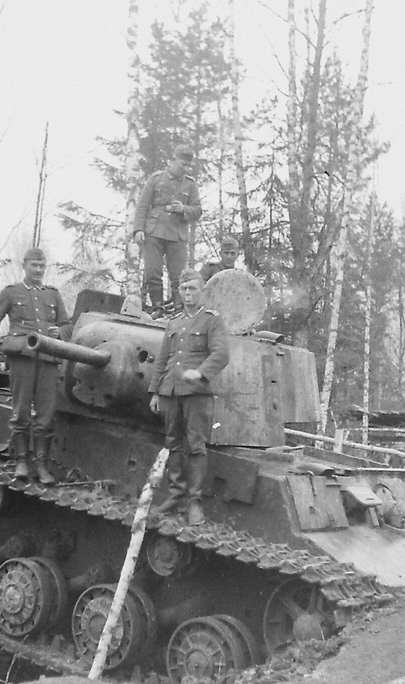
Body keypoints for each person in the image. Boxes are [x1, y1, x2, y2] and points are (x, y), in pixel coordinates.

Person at [0, 247, 72, 484]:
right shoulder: (12, 293)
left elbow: (67, 326)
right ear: (25, 265)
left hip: (48, 359)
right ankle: (21, 460)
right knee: (20, 411)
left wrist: (59, 332)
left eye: (42, 266)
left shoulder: (53, 295)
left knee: (47, 415)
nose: (39, 270)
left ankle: (40, 465)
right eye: (34, 266)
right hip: (22, 359)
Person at [148, 269, 230, 526]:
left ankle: (194, 502)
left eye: (192, 289)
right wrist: (154, 391)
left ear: (202, 291)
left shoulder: (211, 321)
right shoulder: (174, 322)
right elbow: (163, 358)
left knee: (195, 446)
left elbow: (221, 354)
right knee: (173, 444)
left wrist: (201, 373)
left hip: (197, 393)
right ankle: (175, 496)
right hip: (171, 392)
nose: (187, 294)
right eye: (184, 289)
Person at [133, 144, 202, 314]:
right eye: (182, 165)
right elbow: (142, 205)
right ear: (172, 161)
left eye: (188, 166)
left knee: (179, 277)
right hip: (154, 231)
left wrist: (183, 209)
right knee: (152, 272)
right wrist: (138, 230)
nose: (185, 169)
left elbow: (198, 211)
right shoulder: (156, 179)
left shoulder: (190, 185)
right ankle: (158, 307)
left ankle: (179, 310)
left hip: (177, 234)